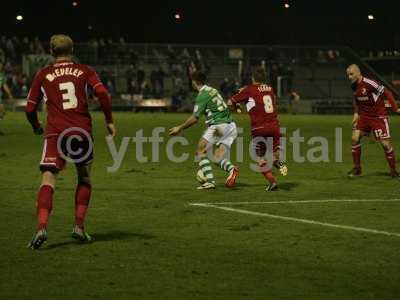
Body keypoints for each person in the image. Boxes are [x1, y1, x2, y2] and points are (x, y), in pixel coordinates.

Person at [25, 34, 116, 249]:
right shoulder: (85, 71)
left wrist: (36, 126)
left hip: (55, 133)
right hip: (81, 131)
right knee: (84, 177)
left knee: (48, 179)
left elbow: (30, 108)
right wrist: (109, 120)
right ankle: (78, 226)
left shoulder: (43, 74)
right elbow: (102, 92)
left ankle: (41, 227)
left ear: (50, 51)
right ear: (73, 50)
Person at [169, 71, 239, 189]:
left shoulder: (202, 95)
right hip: (231, 126)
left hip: (219, 126)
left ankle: (210, 182)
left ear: (194, 82)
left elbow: (195, 118)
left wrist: (179, 128)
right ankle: (232, 170)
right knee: (217, 158)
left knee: (200, 150)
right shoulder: (213, 90)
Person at [228, 66, 287, 191]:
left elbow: (230, 102)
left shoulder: (249, 90)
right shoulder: (270, 89)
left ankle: (272, 182)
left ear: (252, 77)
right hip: (274, 125)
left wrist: (236, 106)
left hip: (259, 127)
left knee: (259, 156)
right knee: (274, 151)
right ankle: (278, 161)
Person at [346, 64, 399, 177]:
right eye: (348, 75)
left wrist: (395, 108)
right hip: (365, 117)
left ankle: (393, 170)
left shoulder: (369, 83)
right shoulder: (354, 85)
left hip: (378, 117)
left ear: (358, 73)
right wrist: (356, 113)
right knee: (354, 138)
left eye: (351, 74)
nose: (349, 77)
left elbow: (387, 93)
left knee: (385, 144)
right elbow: (356, 99)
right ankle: (357, 169)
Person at [0, 62, 14, 135]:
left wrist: (10, 95)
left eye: (1, 65)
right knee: (1, 111)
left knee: (2, 112)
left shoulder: (2, 75)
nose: (1, 67)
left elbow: (4, 86)